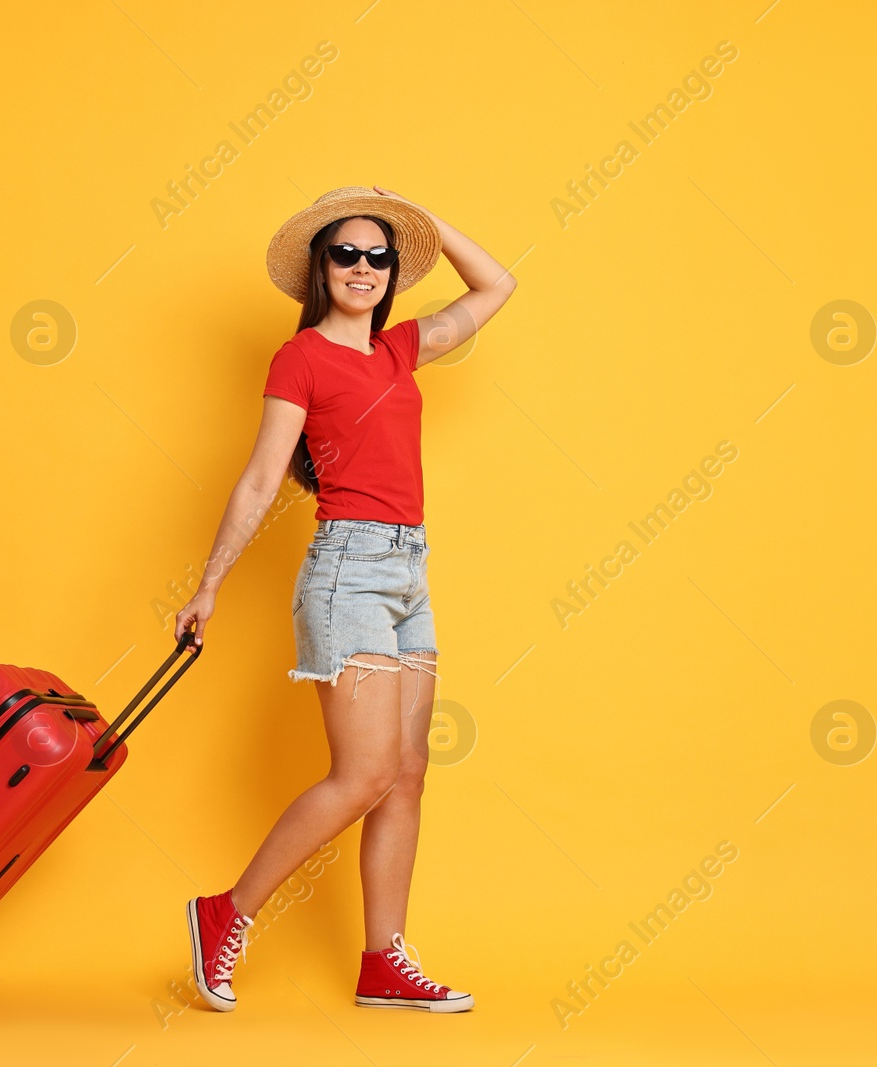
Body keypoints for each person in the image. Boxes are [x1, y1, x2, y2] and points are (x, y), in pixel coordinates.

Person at [172, 185, 517, 1013]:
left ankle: (381, 962)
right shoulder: (300, 360)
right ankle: (226, 911)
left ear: (392, 271)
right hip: (347, 570)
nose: (363, 267)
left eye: (379, 255)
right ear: (319, 272)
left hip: (409, 570)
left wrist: (418, 216)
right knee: (362, 773)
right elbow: (262, 476)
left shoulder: (400, 350)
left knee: (405, 775)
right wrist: (211, 582)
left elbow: (496, 285)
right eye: (346, 254)